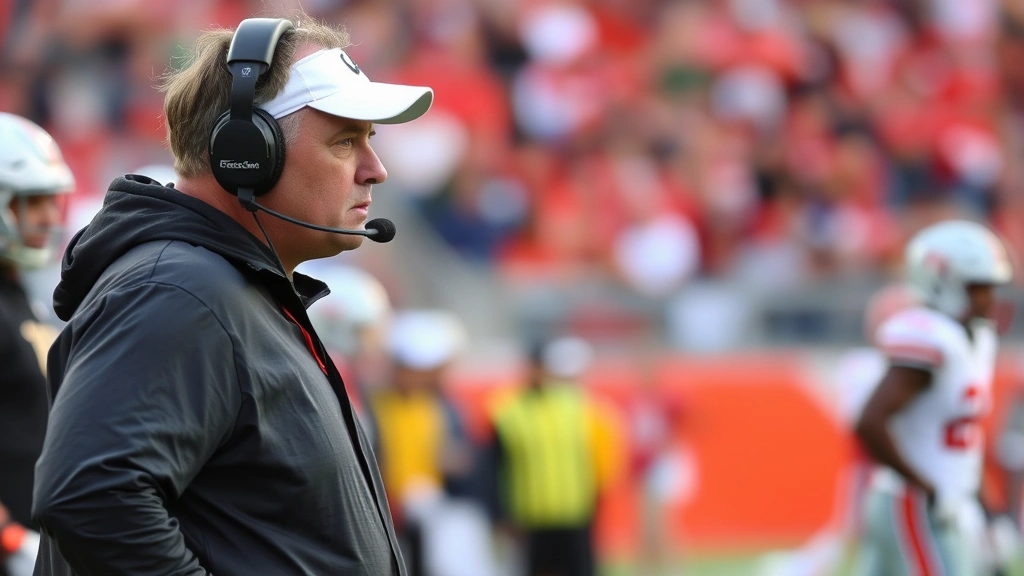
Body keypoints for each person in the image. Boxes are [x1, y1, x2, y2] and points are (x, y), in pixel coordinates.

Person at [31, 14, 433, 576]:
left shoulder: (227, 290)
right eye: (345, 141)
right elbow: (92, 496)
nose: (376, 169)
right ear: (247, 152)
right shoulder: (178, 292)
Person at [854, 220, 1014, 575]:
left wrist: (986, 507)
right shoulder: (929, 336)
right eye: (977, 288)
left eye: (990, 288)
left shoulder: (977, 340)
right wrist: (926, 488)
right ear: (940, 280)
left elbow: (962, 442)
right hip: (912, 502)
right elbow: (869, 422)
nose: (989, 299)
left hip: (946, 503)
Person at [0, 112, 73, 576]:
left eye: (52, 200)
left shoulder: (19, 293)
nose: (49, 217)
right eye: (32, 200)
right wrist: (8, 537)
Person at [488, 336, 625, 576]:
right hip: (532, 517)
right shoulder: (508, 410)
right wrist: (501, 513)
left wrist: (598, 493)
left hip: (574, 512)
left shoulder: (577, 404)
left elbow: (598, 453)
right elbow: (496, 466)